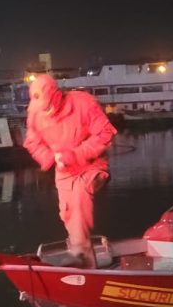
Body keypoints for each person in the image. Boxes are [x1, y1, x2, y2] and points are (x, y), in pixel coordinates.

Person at [23, 74, 117, 266]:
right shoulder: (34, 113)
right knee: (68, 215)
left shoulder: (83, 103)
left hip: (92, 166)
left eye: (47, 106)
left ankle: (80, 255)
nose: (44, 111)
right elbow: (32, 142)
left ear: (56, 96)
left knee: (79, 201)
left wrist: (75, 154)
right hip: (64, 172)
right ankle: (87, 263)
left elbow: (105, 133)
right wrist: (50, 157)